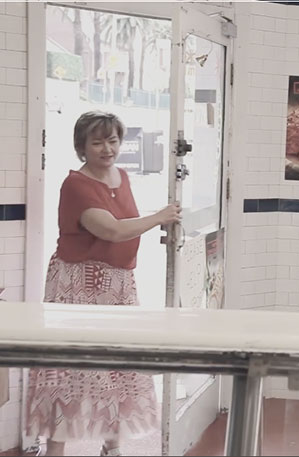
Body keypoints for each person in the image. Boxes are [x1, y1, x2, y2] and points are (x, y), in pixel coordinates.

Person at [25, 111, 182, 457]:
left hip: (119, 284)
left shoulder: (121, 176)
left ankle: (112, 446)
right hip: (78, 285)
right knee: (69, 365)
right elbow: (110, 228)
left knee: (117, 362)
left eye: (112, 140)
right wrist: (159, 216)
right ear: (82, 147)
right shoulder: (76, 184)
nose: (107, 148)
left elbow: (123, 226)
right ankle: (55, 449)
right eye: (97, 142)